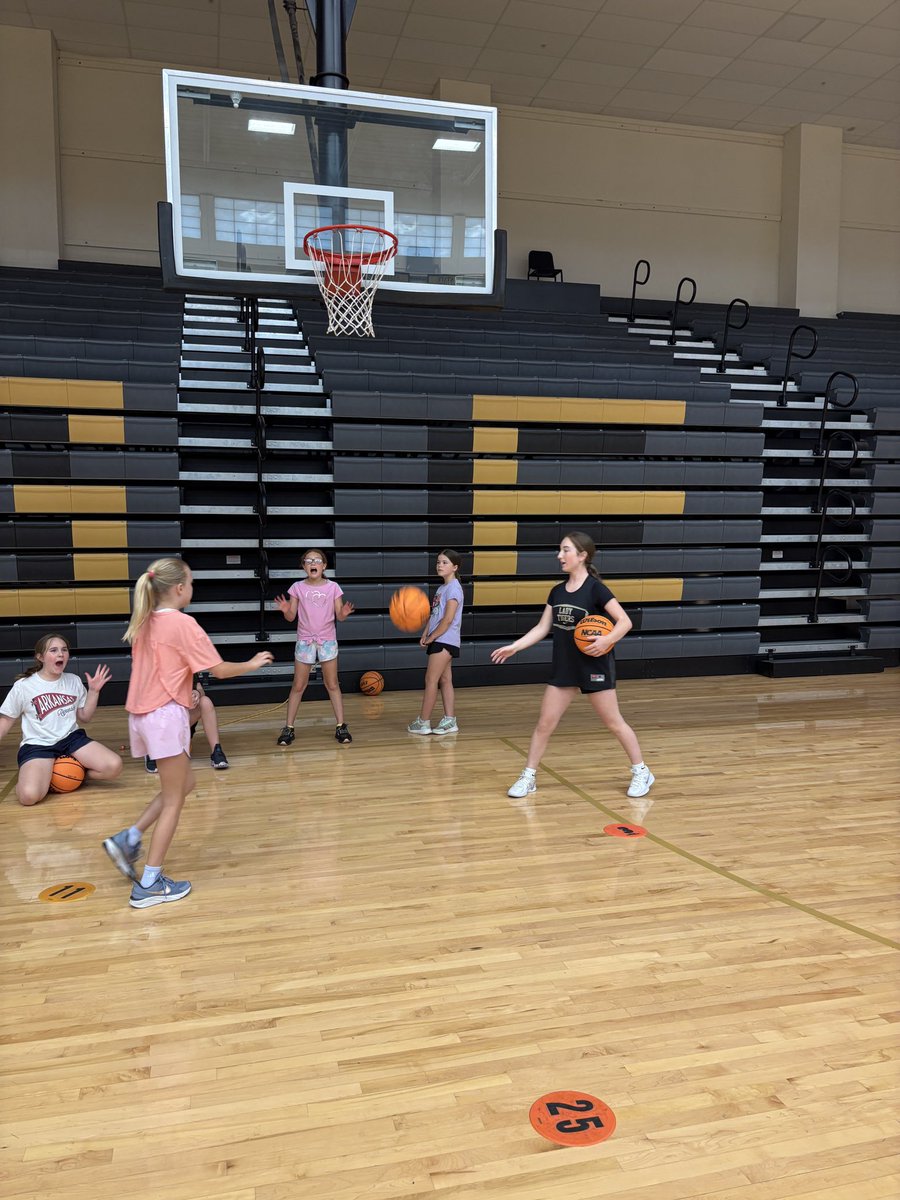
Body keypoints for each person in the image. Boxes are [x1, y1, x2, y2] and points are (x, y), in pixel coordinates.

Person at [102, 557, 273, 908]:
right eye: (191, 584)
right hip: (163, 717)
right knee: (175, 798)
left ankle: (129, 838)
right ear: (179, 589)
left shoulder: (145, 621)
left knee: (185, 784)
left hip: (143, 716)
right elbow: (220, 671)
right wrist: (252, 663)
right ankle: (149, 883)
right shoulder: (183, 624)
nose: (192, 590)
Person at [490, 531, 654, 801]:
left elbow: (624, 621)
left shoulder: (596, 589)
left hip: (595, 665)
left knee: (614, 723)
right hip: (565, 667)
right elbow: (543, 627)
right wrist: (515, 646)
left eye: (565, 550)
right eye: (560, 550)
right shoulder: (556, 591)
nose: (559, 556)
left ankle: (642, 771)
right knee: (544, 724)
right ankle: (529, 776)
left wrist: (607, 640)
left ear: (582, 556)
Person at [0, 633, 122, 806]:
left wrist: (94, 692)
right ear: (40, 657)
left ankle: (74, 772)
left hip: (71, 740)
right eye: (54, 650)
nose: (60, 654)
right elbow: (5, 721)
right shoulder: (24, 686)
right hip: (39, 745)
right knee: (29, 797)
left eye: (64, 650)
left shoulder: (73, 681)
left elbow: (84, 717)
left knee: (114, 766)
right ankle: (37, 775)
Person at [273, 548, 355, 746]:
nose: (313, 563)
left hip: (327, 641)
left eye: (317, 560)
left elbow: (339, 616)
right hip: (305, 641)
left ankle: (341, 726)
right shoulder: (297, 588)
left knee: (332, 684)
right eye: (308, 560)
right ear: (304, 567)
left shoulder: (333, 587)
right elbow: (292, 616)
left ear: (324, 566)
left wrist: (343, 613)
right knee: (298, 685)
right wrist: (285, 611)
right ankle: (289, 728)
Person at [407, 549, 464, 736]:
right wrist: (425, 633)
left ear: (455, 567)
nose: (440, 565)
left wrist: (432, 638)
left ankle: (423, 722)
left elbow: (447, 619)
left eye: (445, 562)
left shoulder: (454, 588)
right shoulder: (442, 589)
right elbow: (435, 616)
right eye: (438, 562)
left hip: (444, 639)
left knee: (430, 680)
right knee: (445, 680)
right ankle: (450, 720)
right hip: (440, 638)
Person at [144, 676, 227, 773]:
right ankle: (152, 749)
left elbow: (199, 687)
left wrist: (197, 693)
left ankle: (216, 750)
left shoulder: (187, 664)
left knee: (205, 701)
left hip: (180, 718)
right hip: (162, 717)